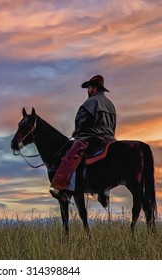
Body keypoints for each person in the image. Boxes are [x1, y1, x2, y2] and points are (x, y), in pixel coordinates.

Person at [50, 75, 116, 207]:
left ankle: (65, 190)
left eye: (89, 87)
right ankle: (104, 192)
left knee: (69, 156)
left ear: (94, 88)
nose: (88, 90)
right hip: (109, 139)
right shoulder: (110, 104)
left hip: (91, 137)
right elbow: (113, 126)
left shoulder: (90, 103)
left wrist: (77, 133)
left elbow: (81, 121)